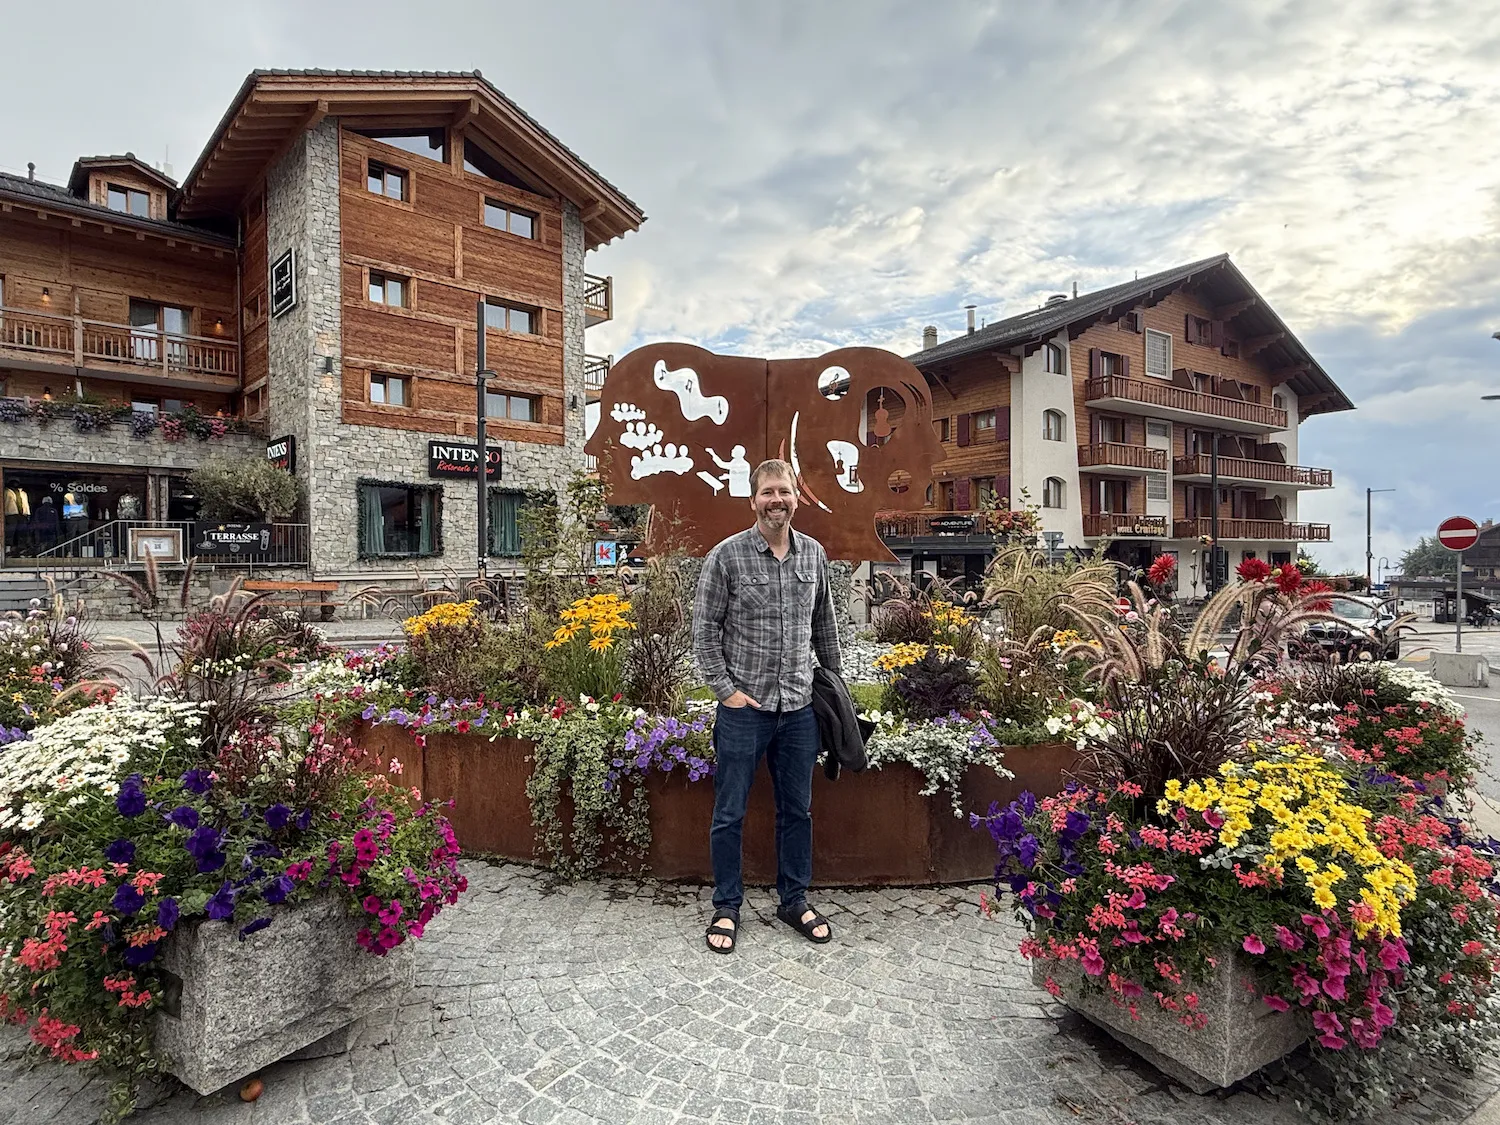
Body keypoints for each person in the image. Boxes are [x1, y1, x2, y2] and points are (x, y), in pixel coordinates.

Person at [693, 458, 841, 954]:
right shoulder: (727, 557)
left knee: (797, 811)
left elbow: (825, 625)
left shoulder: (814, 555)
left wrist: (835, 688)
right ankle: (727, 906)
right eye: (768, 492)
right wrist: (726, 690)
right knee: (729, 812)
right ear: (753, 499)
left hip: (798, 708)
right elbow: (704, 631)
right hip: (744, 709)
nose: (777, 500)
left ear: (797, 495)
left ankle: (793, 899)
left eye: (785, 491)